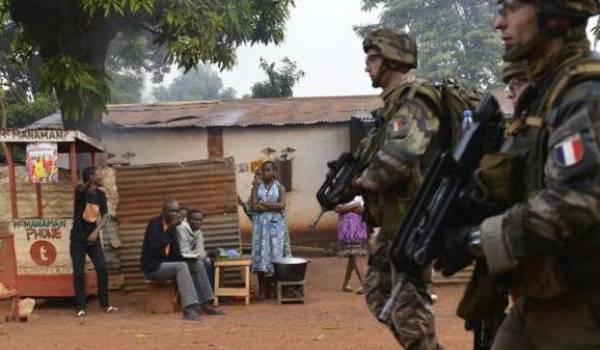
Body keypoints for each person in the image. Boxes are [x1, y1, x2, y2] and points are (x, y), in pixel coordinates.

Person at [438, 1, 600, 349]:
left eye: (511, 9)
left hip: (583, 311)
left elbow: (573, 203)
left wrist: (476, 240)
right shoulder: (545, 94)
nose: (498, 23)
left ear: (555, 16)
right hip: (540, 298)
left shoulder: (586, 93)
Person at [354, 28, 445, 350]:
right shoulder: (392, 106)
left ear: (393, 59)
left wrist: (362, 180)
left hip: (415, 221)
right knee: (378, 292)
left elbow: (397, 161)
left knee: (408, 306)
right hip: (394, 224)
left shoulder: (416, 100)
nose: (366, 66)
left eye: (372, 57)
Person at [140, 199, 222, 321]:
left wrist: (190, 259)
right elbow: (154, 248)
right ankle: (189, 308)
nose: (176, 214)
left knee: (198, 264)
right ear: (164, 212)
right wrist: (171, 228)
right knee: (181, 267)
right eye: (172, 211)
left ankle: (206, 303)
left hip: (167, 265)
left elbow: (175, 254)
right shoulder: (154, 224)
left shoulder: (173, 227)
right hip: (153, 267)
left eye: (177, 211)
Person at [69, 166, 118, 317]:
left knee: (102, 268)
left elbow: (105, 216)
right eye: (98, 174)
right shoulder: (80, 191)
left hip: (93, 239)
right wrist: (90, 181)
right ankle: (80, 307)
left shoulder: (101, 195)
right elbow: (82, 190)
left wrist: (96, 232)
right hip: (77, 239)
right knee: (79, 272)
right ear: (91, 177)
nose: (102, 176)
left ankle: (105, 304)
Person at [250, 161, 287, 299]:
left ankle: (275, 288)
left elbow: (281, 205)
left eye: (268, 170)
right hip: (260, 226)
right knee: (261, 255)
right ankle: (262, 290)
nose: (265, 173)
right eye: (263, 170)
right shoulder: (256, 187)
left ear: (274, 172)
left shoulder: (280, 187)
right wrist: (272, 205)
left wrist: (263, 203)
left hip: (274, 225)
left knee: (275, 255)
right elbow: (254, 206)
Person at [334, 196, 367, 294]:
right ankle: (364, 284)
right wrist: (354, 206)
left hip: (357, 229)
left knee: (353, 256)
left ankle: (345, 284)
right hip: (346, 230)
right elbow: (337, 209)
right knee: (354, 256)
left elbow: (363, 210)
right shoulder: (342, 195)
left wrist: (346, 208)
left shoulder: (361, 195)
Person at [176, 209, 214, 289]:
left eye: (200, 220)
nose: (198, 222)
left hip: (191, 259)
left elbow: (200, 250)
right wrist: (200, 254)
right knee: (204, 262)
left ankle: (211, 291)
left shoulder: (198, 231)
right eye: (195, 220)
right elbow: (184, 252)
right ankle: (204, 293)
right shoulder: (180, 229)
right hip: (179, 260)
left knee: (209, 261)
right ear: (188, 220)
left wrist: (199, 254)